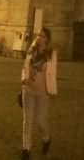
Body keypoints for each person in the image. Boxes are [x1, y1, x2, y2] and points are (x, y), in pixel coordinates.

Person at [21, 27, 58, 160]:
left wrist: (53, 91)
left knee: (41, 120)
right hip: (29, 90)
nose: (39, 38)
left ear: (47, 38)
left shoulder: (51, 53)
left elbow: (52, 74)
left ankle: (46, 138)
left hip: (43, 92)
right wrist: (24, 80)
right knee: (27, 120)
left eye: (42, 36)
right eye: (39, 35)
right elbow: (25, 67)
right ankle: (26, 149)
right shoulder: (31, 50)